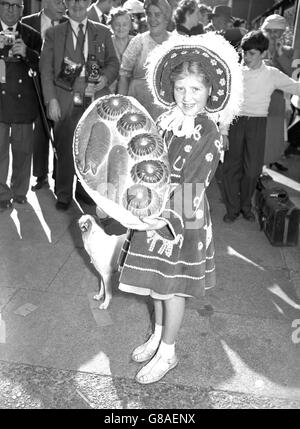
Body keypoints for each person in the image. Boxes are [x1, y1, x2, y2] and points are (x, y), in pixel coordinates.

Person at [112, 33, 242, 384]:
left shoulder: (209, 132)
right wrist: (135, 195)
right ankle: (157, 335)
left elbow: (194, 188)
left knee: (172, 289)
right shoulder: (167, 121)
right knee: (157, 286)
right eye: (181, 88)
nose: (187, 97)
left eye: (195, 89)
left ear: (209, 92)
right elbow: (150, 163)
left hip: (181, 221)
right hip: (155, 212)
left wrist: (162, 220)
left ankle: (168, 351)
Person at [40, 0, 119, 211]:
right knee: (65, 145)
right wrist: (51, 100)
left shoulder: (102, 31)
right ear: (65, 3)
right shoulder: (54, 34)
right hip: (66, 97)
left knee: (92, 145)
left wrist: (104, 78)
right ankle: (63, 192)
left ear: (88, 2)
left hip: (95, 97)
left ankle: (85, 191)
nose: (77, 4)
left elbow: (113, 62)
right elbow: (46, 70)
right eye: (72, 0)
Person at [221, 30, 300, 224]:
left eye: (251, 53)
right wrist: (223, 131)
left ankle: (246, 206)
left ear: (264, 54)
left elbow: (295, 87)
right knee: (231, 168)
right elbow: (227, 104)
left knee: (252, 170)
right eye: (244, 53)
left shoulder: (272, 74)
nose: (246, 57)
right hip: (235, 122)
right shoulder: (236, 72)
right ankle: (233, 209)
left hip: (258, 123)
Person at [0, 0, 42, 211]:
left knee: (23, 152)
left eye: (16, 5)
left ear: (22, 10)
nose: (11, 9)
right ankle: (1, 195)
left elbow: (42, 65)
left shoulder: (32, 35)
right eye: (7, 4)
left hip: (24, 103)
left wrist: (27, 53)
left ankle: (19, 193)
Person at [22, 0, 67, 191]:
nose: (63, 6)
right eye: (59, 2)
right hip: (34, 86)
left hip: (61, 87)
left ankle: (60, 176)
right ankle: (41, 176)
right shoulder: (27, 22)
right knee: (40, 131)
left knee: (61, 130)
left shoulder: (68, 23)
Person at [118, 0, 171, 121]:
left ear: (166, 18)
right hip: (139, 107)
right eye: (149, 14)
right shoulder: (138, 42)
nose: (152, 19)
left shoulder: (176, 42)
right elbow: (124, 75)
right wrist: (122, 106)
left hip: (167, 109)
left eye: (157, 14)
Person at [261, 14, 294, 172]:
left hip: (277, 101)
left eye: (278, 32)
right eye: (271, 31)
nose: (274, 35)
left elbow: (290, 73)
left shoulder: (286, 51)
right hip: (258, 100)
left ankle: (264, 167)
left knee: (272, 139)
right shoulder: (257, 45)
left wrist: (279, 54)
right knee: (258, 138)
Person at [108, 7, 133, 92]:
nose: (121, 28)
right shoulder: (107, 42)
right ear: (111, 25)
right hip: (110, 87)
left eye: (125, 24)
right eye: (117, 24)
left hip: (131, 87)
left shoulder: (137, 42)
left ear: (130, 26)